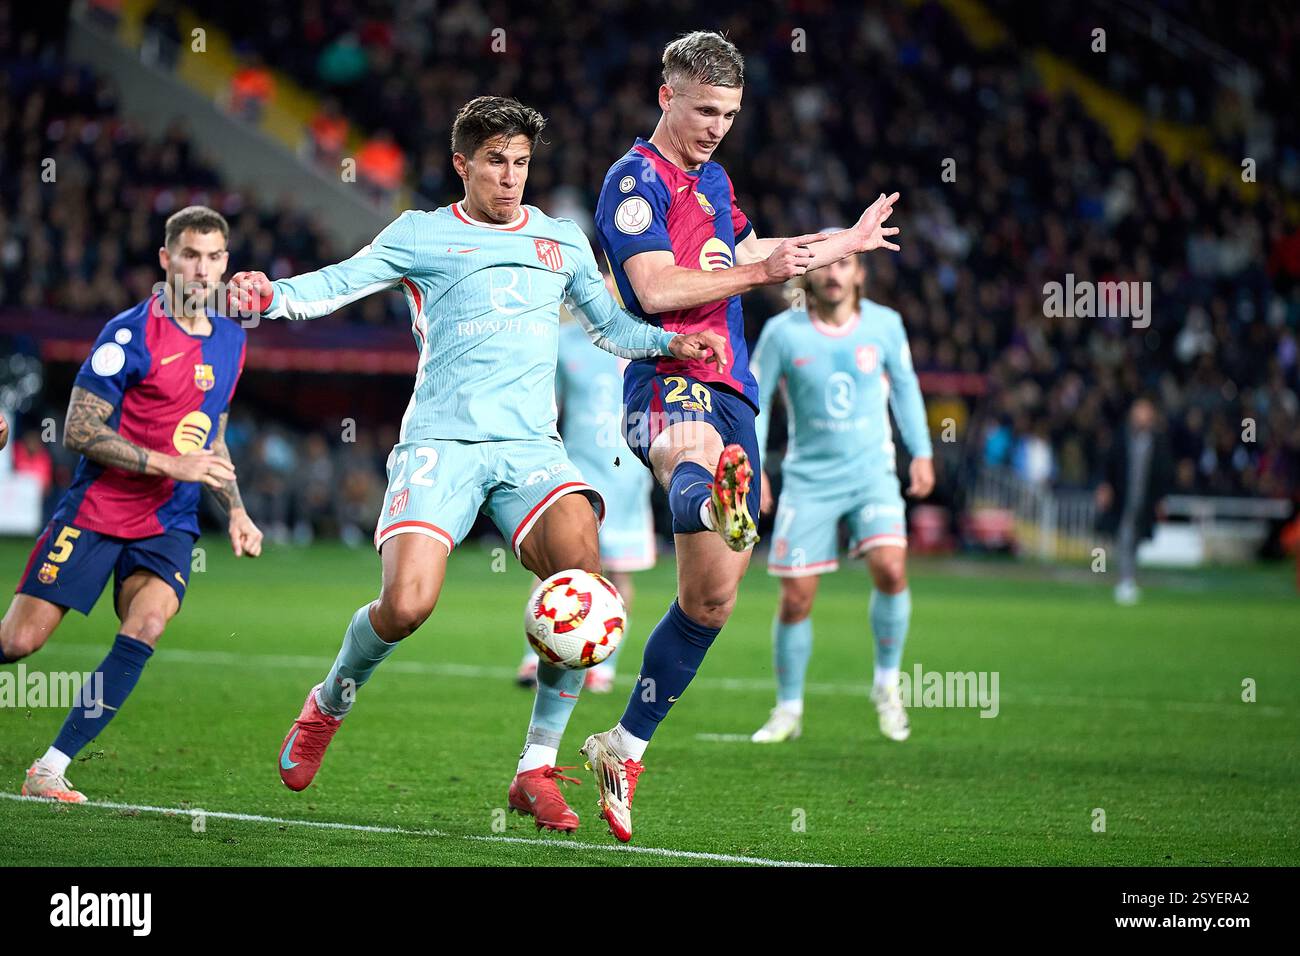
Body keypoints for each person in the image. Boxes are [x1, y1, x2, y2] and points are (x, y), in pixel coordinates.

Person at [228, 96, 725, 833]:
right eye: (496, 161)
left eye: (521, 162)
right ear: (462, 163)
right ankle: (329, 700)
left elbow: (611, 326)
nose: (510, 176)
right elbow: (337, 281)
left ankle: (535, 768)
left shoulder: (560, 240)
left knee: (583, 585)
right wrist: (270, 295)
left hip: (531, 450)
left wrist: (667, 345)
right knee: (406, 607)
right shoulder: (422, 235)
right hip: (441, 444)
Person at [580, 30, 901, 842]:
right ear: (667, 97)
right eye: (705, 109)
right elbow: (654, 289)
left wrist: (842, 242)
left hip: (735, 393)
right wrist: (761, 276)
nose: (718, 125)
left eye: (729, 113)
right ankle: (710, 486)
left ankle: (622, 744)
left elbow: (752, 250)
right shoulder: (634, 181)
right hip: (665, 372)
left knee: (711, 600)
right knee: (691, 457)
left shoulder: (714, 181)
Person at [1, 205, 261, 802]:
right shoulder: (129, 334)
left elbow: (210, 433)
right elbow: (79, 430)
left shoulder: (230, 340)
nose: (202, 270)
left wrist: (237, 510)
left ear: (226, 264)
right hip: (98, 509)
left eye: (214, 257)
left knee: (147, 622)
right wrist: (172, 464)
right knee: (19, 643)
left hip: (168, 519)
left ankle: (49, 768)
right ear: (167, 260)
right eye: (190, 256)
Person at [751, 241, 932, 744]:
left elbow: (908, 387)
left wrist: (921, 451)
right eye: (823, 264)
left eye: (844, 263)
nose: (833, 273)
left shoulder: (885, 325)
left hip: (872, 472)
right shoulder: (782, 333)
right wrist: (757, 467)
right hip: (809, 478)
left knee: (892, 567)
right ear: (805, 277)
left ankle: (886, 685)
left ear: (859, 274)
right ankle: (788, 708)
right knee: (795, 599)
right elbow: (757, 401)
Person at [516, 294, 658, 694]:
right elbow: (548, 409)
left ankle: (604, 663)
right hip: (575, 471)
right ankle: (536, 656)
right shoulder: (562, 343)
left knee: (618, 571)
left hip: (627, 472)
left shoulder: (641, 343)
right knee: (553, 567)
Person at [1095, 397, 1171, 605]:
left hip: (1145, 499)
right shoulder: (1122, 437)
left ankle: (1128, 577)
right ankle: (1126, 580)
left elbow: (1163, 472)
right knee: (1124, 536)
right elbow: (1108, 463)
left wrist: (1160, 499)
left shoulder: (1158, 441)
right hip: (1123, 498)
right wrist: (1105, 486)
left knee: (1135, 539)